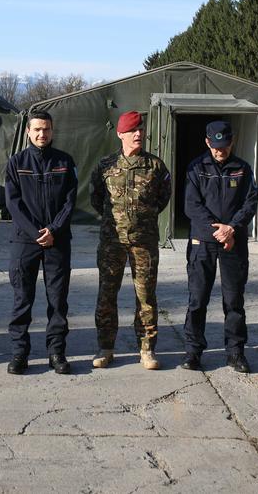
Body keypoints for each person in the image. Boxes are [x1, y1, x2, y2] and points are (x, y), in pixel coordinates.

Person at [90, 111, 172, 370]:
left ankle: (147, 350)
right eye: (132, 130)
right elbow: (96, 199)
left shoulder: (156, 167)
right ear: (120, 134)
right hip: (111, 241)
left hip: (143, 241)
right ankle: (105, 347)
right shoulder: (105, 166)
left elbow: (163, 199)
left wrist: (142, 220)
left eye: (140, 129)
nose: (138, 134)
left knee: (146, 296)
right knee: (107, 294)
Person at [181, 120, 258, 373]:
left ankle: (235, 352)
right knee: (197, 299)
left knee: (233, 300)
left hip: (233, 242)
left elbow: (250, 203)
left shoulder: (242, 169)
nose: (219, 151)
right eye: (215, 146)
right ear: (207, 142)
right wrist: (218, 230)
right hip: (203, 241)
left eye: (223, 146)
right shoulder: (196, 168)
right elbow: (192, 206)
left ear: (231, 141)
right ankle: (193, 352)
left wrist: (232, 229)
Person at [4, 111, 78, 375]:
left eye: (46, 129)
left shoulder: (64, 162)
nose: (41, 134)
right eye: (36, 129)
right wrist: (36, 232)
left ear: (52, 130)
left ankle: (56, 352)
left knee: (57, 301)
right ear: (28, 131)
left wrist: (54, 230)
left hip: (57, 241)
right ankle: (19, 354)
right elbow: (13, 204)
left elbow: (70, 202)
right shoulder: (17, 163)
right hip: (25, 241)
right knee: (22, 299)